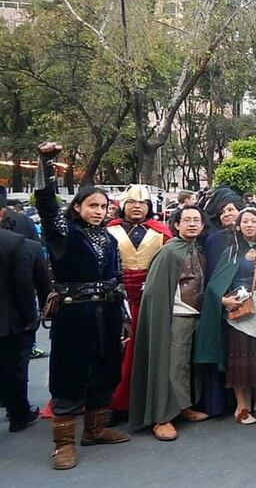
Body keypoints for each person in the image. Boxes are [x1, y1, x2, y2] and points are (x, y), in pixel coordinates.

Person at [33, 143, 129, 470]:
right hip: (75, 314)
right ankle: (63, 444)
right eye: (92, 205)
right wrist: (46, 164)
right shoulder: (64, 234)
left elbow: (117, 279)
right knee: (70, 374)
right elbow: (47, 206)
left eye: (103, 206)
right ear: (77, 207)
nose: (99, 211)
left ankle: (96, 429)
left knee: (105, 370)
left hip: (108, 313)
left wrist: (124, 318)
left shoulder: (110, 238)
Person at [194, 207, 256, 425]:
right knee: (241, 359)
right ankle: (241, 406)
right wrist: (224, 300)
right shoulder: (231, 252)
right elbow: (216, 283)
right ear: (239, 226)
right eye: (245, 222)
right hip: (241, 311)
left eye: (253, 221)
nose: (249, 225)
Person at [129, 206, 210, 441]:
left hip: (197, 314)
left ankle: (183, 406)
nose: (192, 224)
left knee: (188, 366)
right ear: (177, 224)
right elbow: (155, 292)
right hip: (176, 315)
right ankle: (162, 417)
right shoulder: (168, 252)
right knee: (172, 365)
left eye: (196, 220)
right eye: (187, 220)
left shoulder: (198, 249)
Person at [106, 184, 173, 415]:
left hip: (151, 299)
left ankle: (148, 400)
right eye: (132, 202)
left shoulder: (162, 231)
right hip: (117, 299)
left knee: (148, 350)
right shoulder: (109, 230)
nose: (137, 207)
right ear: (123, 205)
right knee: (116, 350)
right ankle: (113, 402)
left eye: (142, 203)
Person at [0, 216, 40, 433]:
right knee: (15, 367)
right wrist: (30, 318)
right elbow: (23, 285)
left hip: (9, 319)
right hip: (10, 320)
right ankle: (18, 413)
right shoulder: (14, 242)